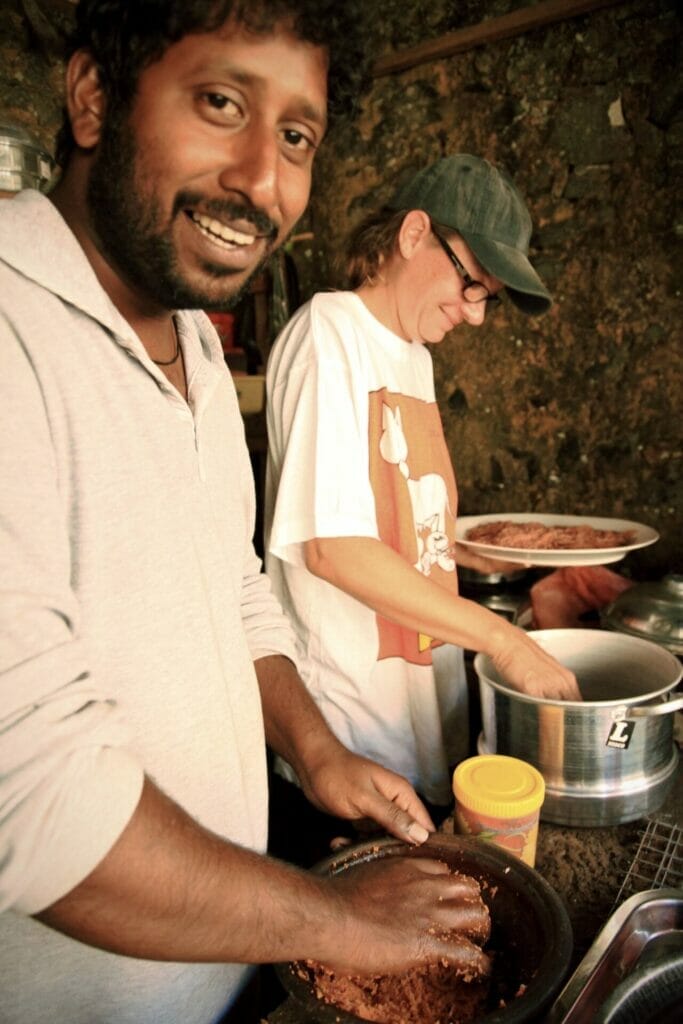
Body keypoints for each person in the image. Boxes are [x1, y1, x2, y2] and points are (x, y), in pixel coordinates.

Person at [0, 7, 493, 1024]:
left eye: (296, 137)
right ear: (93, 99)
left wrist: (315, 754)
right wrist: (337, 919)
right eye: (220, 103)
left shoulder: (197, 349)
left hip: (227, 968)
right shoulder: (13, 330)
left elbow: (234, 591)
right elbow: (36, 807)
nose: (263, 183)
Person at [264, 153, 581, 855]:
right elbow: (332, 546)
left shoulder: (412, 354)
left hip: (420, 722)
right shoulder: (330, 336)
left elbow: (396, 518)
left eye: (485, 298)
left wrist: (477, 549)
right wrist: (502, 639)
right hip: (350, 742)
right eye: (470, 284)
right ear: (412, 234)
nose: (471, 314)